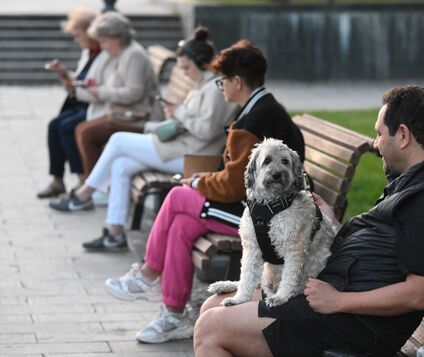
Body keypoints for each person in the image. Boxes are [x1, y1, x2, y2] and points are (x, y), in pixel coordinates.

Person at [193, 85, 424, 357]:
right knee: (212, 306)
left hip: (353, 323)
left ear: (403, 135)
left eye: (379, 134)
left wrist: (338, 301)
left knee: (211, 328)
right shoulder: (418, 180)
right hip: (335, 295)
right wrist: (335, 227)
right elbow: (387, 246)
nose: (376, 144)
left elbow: (417, 294)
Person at [103, 40, 306, 344]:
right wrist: (207, 177)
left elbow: (234, 186)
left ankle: (147, 274)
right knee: (183, 225)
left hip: (269, 217)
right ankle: (173, 314)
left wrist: (199, 183)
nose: (219, 86)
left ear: (237, 81)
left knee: (177, 197)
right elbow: (237, 176)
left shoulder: (255, 119)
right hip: (262, 207)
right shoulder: (261, 109)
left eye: (221, 80)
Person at [49, 27, 239, 250]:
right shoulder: (204, 85)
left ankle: (85, 193)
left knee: (118, 140)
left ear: (202, 63)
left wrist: (178, 111)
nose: (186, 73)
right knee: (121, 164)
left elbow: (206, 130)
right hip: (181, 147)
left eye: (187, 68)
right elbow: (193, 122)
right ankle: (114, 232)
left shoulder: (214, 90)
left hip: (193, 156)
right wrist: (168, 118)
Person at [73, 12, 159, 178]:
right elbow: (121, 85)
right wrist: (98, 87)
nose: (103, 47)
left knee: (86, 134)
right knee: (82, 130)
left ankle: (97, 187)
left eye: (104, 41)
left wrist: (100, 91)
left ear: (117, 38)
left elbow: (134, 93)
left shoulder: (134, 55)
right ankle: (94, 184)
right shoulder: (124, 52)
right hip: (124, 112)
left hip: (139, 116)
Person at [37, 7, 108, 198]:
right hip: (83, 102)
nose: (76, 39)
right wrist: (64, 73)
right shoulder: (88, 52)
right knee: (54, 124)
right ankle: (57, 180)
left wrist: (75, 85)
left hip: (97, 106)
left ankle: (82, 179)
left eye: (78, 35)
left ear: (89, 32)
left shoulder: (105, 54)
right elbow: (79, 81)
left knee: (67, 127)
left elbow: (97, 87)